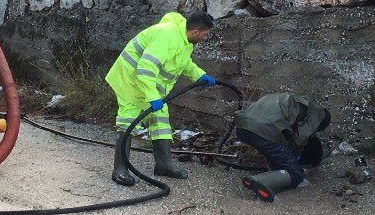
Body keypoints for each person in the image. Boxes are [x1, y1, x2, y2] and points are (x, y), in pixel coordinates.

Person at [106, 12, 216, 186]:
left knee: (161, 123)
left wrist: (200, 75)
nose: (205, 37)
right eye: (205, 34)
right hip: (130, 81)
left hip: (150, 85)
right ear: (195, 32)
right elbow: (145, 69)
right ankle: (120, 170)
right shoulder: (166, 36)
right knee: (128, 122)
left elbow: (183, 63)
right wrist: (152, 97)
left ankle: (164, 165)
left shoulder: (185, 41)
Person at [234, 92, 331, 202]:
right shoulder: (319, 114)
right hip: (264, 130)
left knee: (275, 149)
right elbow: (301, 138)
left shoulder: (292, 100)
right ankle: (258, 180)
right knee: (296, 175)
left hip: (242, 127)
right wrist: (293, 159)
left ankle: (274, 175)